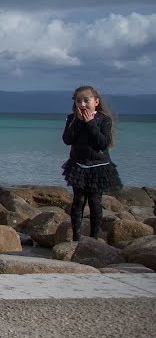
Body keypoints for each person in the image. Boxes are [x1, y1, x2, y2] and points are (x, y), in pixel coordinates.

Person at [61, 85, 122, 241]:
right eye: (78, 101)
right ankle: (76, 237)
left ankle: (94, 238)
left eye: (86, 100)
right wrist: (78, 122)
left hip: (98, 166)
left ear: (96, 101)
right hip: (78, 165)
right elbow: (67, 140)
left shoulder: (104, 119)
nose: (82, 105)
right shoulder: (72, 118)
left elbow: (102, 143)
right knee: (78, 200)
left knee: (95, 202)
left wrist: (90, 123)